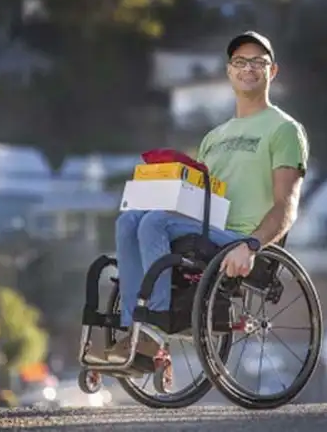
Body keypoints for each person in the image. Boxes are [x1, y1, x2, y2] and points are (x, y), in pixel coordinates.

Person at [103, 31, 309, 364]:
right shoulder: (214, 137)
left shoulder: (284, 129)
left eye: (259, 62)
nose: (248, 69)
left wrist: (252, 245)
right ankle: (134, 329)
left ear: (272, 72)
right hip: (204, 231)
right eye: (240, 62)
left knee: (155, 222)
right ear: (229, 71)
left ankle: (155, 329)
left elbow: (287, 205)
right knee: (129, 220)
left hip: (241, 239)